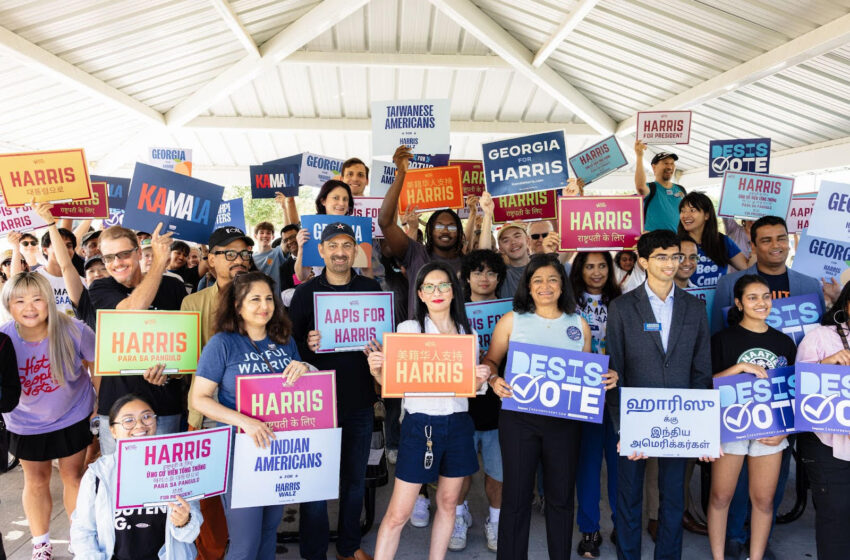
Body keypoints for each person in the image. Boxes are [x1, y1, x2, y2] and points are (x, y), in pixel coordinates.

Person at [485, 253, 617, 560]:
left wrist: (608, 377)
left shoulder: (579, 324)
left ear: (562, 286)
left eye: (553, 279)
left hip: (564, 424)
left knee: (560, 499)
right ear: (528, 287)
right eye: (538, 280)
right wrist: (493, 379)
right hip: (519, 421)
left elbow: (588, 373)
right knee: (516, 498)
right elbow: (490, 360)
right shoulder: (512, 320)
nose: (545, 286)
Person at [366, 261, 490, 560]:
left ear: (453, 291)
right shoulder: (407, 330)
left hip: (458, 424)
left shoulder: (466, 333)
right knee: (399, 513)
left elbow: (467, 390)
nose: (437, 292)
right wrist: (377, 371)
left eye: (444, 285)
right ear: (420, 294)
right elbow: (390, 384)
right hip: (420, 425)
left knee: (448, 503)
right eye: (429, 287)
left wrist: (481, 378)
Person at [606, 229, 713, 560]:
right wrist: (622, 428)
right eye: (662, 257)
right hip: (636, 421)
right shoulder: (622, 308)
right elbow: (615, 372)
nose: (671, 263)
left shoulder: (695, 308)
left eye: (676, 256)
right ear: (643, 261)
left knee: (672, 499)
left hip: (681, 421)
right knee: (629, 498)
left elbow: (701, 370)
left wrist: (702, 430)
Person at [191, 271, 310, 560]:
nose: (264, 306)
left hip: (279, 452)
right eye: (254, 299)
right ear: (237, 305)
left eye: (269, 298)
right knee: (245, 543)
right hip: (240, 455)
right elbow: (198, 398)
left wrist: (306, 368)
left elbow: (299, 389)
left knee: (269, 532)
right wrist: (245, 421)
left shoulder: (285, 340)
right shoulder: (222, 344)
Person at [288, 222, 381, 560]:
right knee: (315, 484)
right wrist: (306, 343)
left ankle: (348, 546)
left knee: (354, 480)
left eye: (347, 245)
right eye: (334, 245)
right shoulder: (305, 292)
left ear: (355, 250)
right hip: (316, 404)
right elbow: (288, 345)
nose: (341, 252)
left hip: (359, 401)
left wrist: (379, 348)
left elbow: (388, 344)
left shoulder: (372, 289)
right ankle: (314, 553)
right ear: (322, 250)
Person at [1, 272, 96, 560]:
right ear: (9, 304)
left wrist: (99, 406)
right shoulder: (4, 338)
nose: (29, 307)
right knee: (37, 479)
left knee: (73, 476)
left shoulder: (74, 329)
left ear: (49, 301)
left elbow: (97, 365)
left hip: (73, 415)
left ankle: (79, 537)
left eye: (37, 299)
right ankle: (41, 543)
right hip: (24, 422)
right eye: (20, 301)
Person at [706, 275, 795, 560]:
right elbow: (707, 386)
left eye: (766, 297)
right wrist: (739, 367)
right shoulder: (722, 340)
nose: (761, 303)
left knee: (764, 500)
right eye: (753, 297)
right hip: (731, 428)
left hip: (769, 431)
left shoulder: (783, 342)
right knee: (721, 497)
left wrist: (785, 430)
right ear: (738, 303)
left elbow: (790, 392)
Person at [180, 226, 254, 560]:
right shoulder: (192, 303)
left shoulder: (262, 296)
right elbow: (184, 363)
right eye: (230, 254)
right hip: (207, 416)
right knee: (208, 499)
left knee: (250, 497)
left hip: (256, 416)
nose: (239, 260)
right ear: (210, 260)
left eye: (244, 253)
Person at [89, 225, 187, 455]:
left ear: (138, 253)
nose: (117, 262)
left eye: (124, 254)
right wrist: (160, 263)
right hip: (117, 411)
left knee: (162, 484)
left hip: (164, 407)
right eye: (109, 257)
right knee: (119, 485)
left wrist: (173, 373)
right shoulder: (100, 287)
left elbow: (186, 347)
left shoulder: (173, 286)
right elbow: (132, 310)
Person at [70, 394, 202, 560]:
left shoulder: (176, 469)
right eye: (128, 420)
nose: (140, 425)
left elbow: (190, 534)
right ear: (113, 430)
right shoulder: (97, 475)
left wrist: (184, 521)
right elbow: (83, 530)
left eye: (147, 417)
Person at [452, 249, 508, 552]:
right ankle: (458, 518)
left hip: (499, 408)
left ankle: (496, 521)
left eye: (490, 273)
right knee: (460, 471)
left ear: (498, 278)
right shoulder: (453, 313)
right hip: (462, 407)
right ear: (467, 277)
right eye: (477, 272)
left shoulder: (513, 314)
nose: (484, 278)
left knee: (497, 472)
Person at [569, 251, 621, 558]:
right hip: (581, 395)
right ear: (580, 269)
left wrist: (621, 374)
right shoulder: (568, 304)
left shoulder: (623, 301)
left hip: (615, 392)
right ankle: (589, 528)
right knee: (587, 465)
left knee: (618, 465)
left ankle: (620, 524)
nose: (597, 271)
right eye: (590, 265)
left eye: (603, 265)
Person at [796, 280, 850, 560]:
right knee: (835, 515)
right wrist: (826, 364)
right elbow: (798, 385)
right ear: (846, 304)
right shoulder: (820, 337)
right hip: (828, 444)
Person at [378, 146, 465, 320]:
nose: (446, 230)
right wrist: (401, 173)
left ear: (459, 233)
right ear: (430, 231)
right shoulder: (416, 254)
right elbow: (385, 222)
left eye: (452, 227)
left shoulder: (467, 262)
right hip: (419, 340)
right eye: (439, 226)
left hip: (456, 340)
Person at [712, 215, 825, 334]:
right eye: (766, 240)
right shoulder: (729, 284)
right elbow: (717, 336)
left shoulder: (811, 285)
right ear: (753, 247)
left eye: (781, 239)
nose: (775, 245)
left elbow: (823, 335)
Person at [293, 179, 359, 283]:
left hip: (352, 289)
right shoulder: (310, 228)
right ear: (323, 201)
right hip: (323, 290)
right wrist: (301, 249)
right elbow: (301, 276)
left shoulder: (358, 227)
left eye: (345, 199)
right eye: (336, 198)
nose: (341, 203)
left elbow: (367, 273)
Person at [678, 192, 748, 288]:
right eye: (683, 211)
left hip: (720, 300)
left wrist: (756, 247)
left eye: (692, 210)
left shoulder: (723, 241)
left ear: (706, 215)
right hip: (689, 301)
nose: (685, 215)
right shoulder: (675, 244)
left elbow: (747, 268)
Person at [634, 144, 686, 232]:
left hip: (677, 242)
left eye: (672, 164)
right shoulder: (651, 188)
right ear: (654, 167)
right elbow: (640, 187)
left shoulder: (681, 189)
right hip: (654, 242)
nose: (670, 167)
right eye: (665, 163)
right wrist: (639, 156)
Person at [251, 221, 287, 291]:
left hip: (276, 299)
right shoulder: (250, 258)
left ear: (272, 236)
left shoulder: (278, 252)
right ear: (255, 236)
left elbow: (286, 234)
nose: (265, 235)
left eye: (268, 233)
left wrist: (286, 209)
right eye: (261, 232)